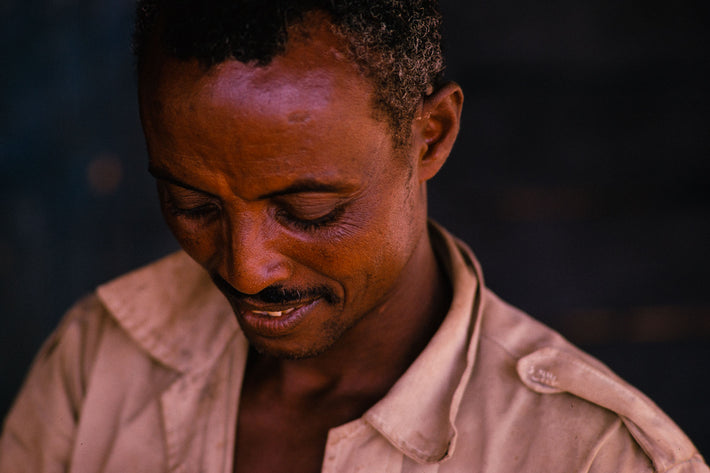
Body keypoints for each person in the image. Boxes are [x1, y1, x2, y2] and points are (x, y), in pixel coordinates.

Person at [0, 1, 707, 472]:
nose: (248, 268)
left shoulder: (595, 456)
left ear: (430, 136)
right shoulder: (98, 363)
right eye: (192, 204)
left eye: (308, 210)